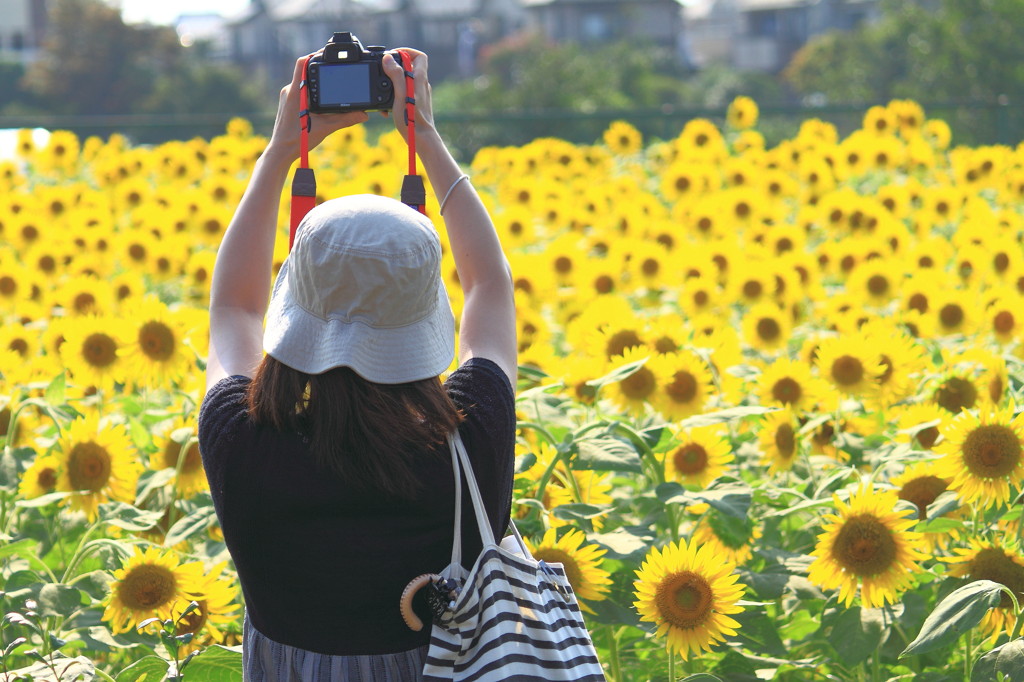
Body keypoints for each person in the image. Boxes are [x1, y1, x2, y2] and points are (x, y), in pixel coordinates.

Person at [197, 47, 517, 681]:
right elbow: (491, 287)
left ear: (296, 312)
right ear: (425, 317)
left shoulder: (243, 443)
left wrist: (279, 154)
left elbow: (233, 311)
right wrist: (422, 136)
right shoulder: (469, 439)